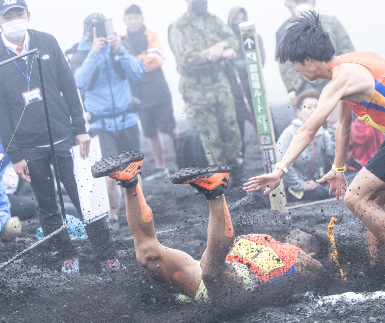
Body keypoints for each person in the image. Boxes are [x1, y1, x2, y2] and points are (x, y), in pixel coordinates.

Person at [245, 12, 385, 286]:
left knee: (355, 198)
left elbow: (307, 129)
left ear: (309, 60)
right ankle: (378, 268)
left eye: (295, 64)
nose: (295, 71)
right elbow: (342, 127)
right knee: (373, 200)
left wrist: (280, 170)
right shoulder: (347, 66)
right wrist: (338, 169)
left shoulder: (341, 79)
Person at [91, 152, 324, 301]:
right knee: (152, 254)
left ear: (310, 250)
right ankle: (133, 179)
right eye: (292, 236)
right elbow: (226, 245)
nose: (292, 237)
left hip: (226, 278)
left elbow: (325, 275)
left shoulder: (300, 257)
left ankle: (130, 181)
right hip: (223, 276)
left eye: (298, 238)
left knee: (147, 256)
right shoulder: (265, 240)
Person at [0, 1, 119, 273]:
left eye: (19, 13)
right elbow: (1, 113)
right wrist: (15, 155)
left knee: (84, 197)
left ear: (28, 15)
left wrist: (80, 128)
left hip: (64, 136)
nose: (15, 19)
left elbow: (68, 85)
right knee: (47, 204)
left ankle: (106, 254)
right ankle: (66, 254)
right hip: (30, 146)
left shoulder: (46, 41)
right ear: (0, 21)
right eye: (8, 16)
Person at [73, 12, 145, 231]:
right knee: (110, 177)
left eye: (102, 28)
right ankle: (114, 217)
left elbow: (137, 71)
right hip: (100, 125)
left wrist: (121, 49)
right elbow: (79, 82)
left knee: (133, 171)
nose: (99, 34)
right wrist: (94, 53)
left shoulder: (120, 47)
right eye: (93, 30)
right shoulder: (78, 55)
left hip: (127, 119)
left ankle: (141, 214)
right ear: (86, 33)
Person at [169, 0, 244, 184]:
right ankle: (218, 178)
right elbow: (186, 58)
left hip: (220, 84)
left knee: (231, 128)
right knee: (211, 136)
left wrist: (220, 47)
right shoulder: (178, 27)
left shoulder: (213, 20)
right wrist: (214, 53)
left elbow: (232, 39)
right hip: (197, 90)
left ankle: (237, 172)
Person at [122, 4, 179, 181]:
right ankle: (161, 167)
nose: (133, 21)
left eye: (136, 17)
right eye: (129, 18)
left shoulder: (150, 34)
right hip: (138, 93)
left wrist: (132, 62)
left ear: (142, 18)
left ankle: (181, 163)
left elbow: (157, 58)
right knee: (150, 132)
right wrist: (140, 61)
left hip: (158, 89)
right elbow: (123, 64)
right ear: (125, 20)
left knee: (171, 128)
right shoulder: (120, 38)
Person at [275, 0, 354, 100]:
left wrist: (339, 77)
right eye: (297, 1)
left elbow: (349, 53)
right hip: (307, 88)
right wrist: (301, 88)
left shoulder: (332, 23)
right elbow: (285, 65)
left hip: (336, 78)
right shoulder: (286, 30)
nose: (301, 4)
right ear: (288, 4)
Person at [279, 90, 335, 202]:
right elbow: (282, 165)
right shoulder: (290, 133)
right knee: (323, 193)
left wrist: (331, 126)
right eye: (309, 108)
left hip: (312, 181)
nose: (313, 111)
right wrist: (301, 185)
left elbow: (333, 151)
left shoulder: (321, 131)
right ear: (299, 112)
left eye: (316, 107)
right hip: (288, 186)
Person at [226, 6, 264, 154]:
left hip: (255, 93)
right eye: (236, 20)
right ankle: (238, 172)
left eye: (242, 19)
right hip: (234, 97)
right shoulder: (227, 43)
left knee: (269, 130)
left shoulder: (255, 38)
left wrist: (236, 62)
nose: (238, 23)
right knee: (237, 138)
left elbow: (259, 61)